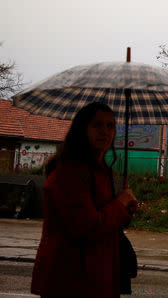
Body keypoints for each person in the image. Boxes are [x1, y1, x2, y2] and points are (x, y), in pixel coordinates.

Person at [31, 102, 138, 298]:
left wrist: (127, 208)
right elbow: (86, 226)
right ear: (82, 129)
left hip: (96, 271)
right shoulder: (68, 173)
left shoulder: (101, 170)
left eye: (110, 126)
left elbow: (107, 218)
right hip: (71, 276)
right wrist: (119, 204)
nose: (105, 131)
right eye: (97, 125)